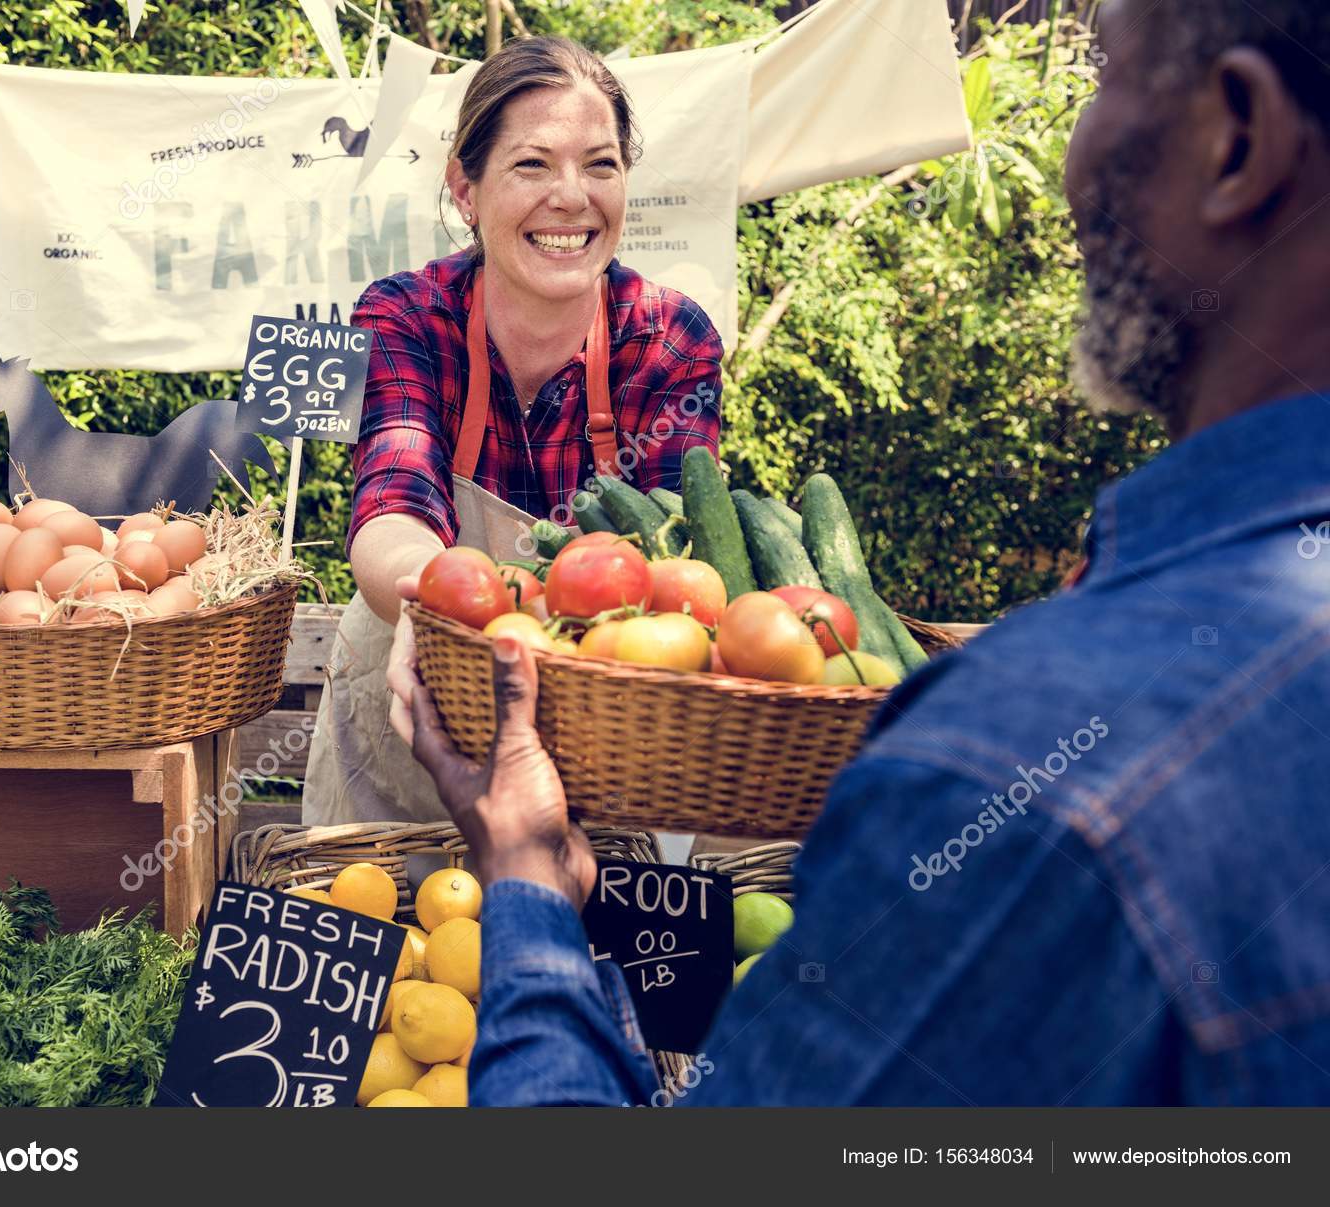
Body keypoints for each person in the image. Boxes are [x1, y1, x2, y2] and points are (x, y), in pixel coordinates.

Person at [395, 0, 1330, 1105]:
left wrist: (531, 897)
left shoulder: (1020, 762)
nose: (1071, 154)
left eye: (1105, 72)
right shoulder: (410, 314)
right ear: (466, 187)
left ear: (1236, 135)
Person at [303, 36, 724, 827]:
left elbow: (677, 567)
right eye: (533, 165)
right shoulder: (405, 315)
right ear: (465, 189)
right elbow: (393, 509)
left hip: (607, 749)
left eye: (601, 164)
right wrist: (451, 610)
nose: (572, 196)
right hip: (416, 701)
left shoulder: (669, 337)